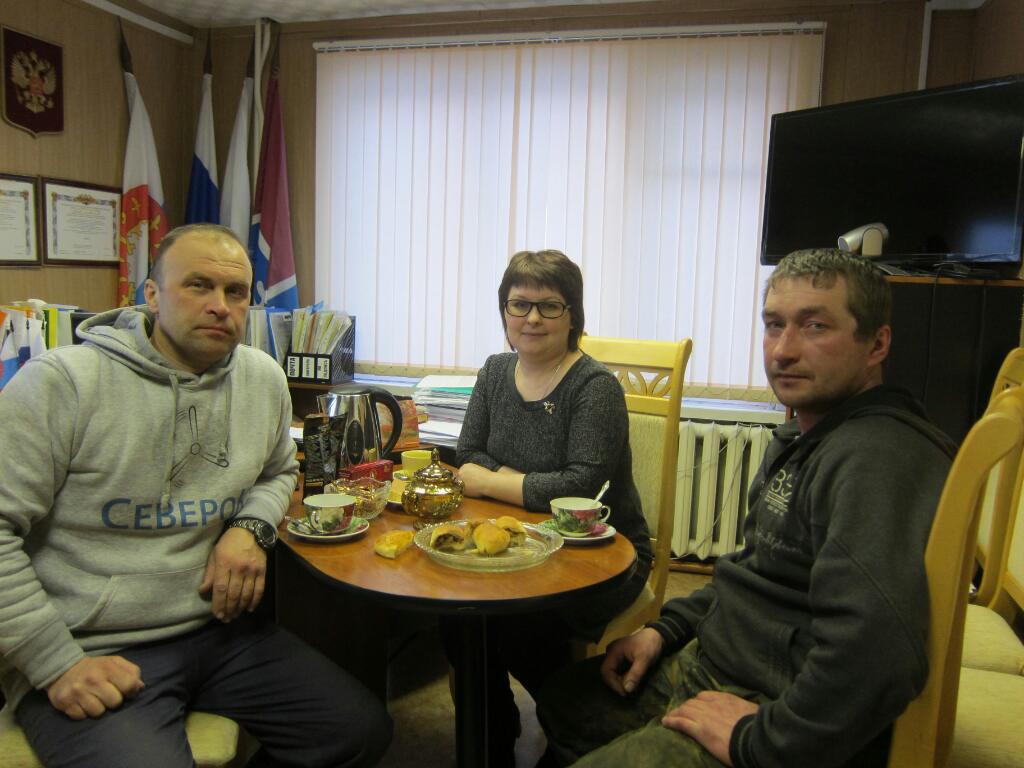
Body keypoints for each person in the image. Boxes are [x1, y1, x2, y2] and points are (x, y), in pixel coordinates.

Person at [536, 248, 959, 768]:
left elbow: (878, 653)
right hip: (717, 660)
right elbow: (753, 571)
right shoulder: (805, 434)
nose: (783, 350)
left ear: (877, 344)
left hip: (770, 701)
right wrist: (665, 630)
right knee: (563, 703)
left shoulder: (878, 459)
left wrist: (758, 741)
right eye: (774, 324)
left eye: (816, 326)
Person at [0, 224, 391, 768]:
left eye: (236, 292)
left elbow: (279, 471)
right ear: (152, 294)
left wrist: (249, 529)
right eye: (198, 285)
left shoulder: (263, 378)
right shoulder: (62, 382)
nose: (219, 306)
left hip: (218, 632)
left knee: (359, 732)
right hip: (89, 643)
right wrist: (53, 663)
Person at [452, 248, 653, 767]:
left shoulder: (595, 387)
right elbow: (466, 452)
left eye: (550, 306)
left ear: (573, 315)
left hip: (600, 553)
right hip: (513, 542)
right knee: (457, 618)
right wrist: (525, 486)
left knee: (520, 626)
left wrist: (491, 481)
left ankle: (576, 733)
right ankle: (493, 736)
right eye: (519, 304)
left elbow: (581, 487)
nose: (533, 318)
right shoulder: (494, 372)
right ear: (504, 311)